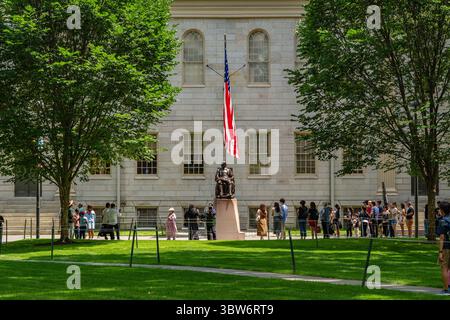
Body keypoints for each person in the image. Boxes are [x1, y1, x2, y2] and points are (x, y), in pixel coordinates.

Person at [437, 201, 450, 295]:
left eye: (439, 208)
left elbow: (442, 237)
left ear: (442, 210)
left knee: (444, 268)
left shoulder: (443, 221)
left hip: (446, 247)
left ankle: (446, 289)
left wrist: (440, 252)